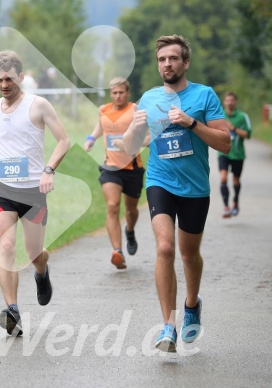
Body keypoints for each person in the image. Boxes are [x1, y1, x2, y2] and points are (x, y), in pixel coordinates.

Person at [123, 35, 231, 353]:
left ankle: (192, 304)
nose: (166, 64)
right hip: (160, 180)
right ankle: (168, 325)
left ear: (185, 63)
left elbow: (225, 143)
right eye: (161, 60)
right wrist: (132, 128)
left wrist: (192, 123)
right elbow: (129, 149)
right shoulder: (149, 98)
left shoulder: (204, 95)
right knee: (165, 248)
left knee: (189, 255)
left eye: (172, 58)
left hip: (195, 188)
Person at [0, 50, 70, 336]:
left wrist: (48, 170)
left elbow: (63, 141)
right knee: (6, 247)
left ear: (21, 77)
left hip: (32, 191)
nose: (4, 84)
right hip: (2, 188)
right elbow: (0, 135)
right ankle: (12, 310)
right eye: (0, 79)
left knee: (33, 253)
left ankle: (42, 270)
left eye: (10, 79)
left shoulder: (38, 105)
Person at [84, 77, 148, 270]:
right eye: (114, 93)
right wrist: (91, 139)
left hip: (132, 168)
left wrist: (131, 144)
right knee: (112, 206)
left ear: (127, 93)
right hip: (110, 167)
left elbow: (147, 135)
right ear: (110, 93)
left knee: (131, 211)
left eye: (121, 92)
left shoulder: (135, 111)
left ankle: (129, 230)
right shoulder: (103, 110)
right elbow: (101, 126)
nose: (118, 96)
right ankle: (117, 252)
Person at [219, 91, 252, 218]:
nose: (229, 103)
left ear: (236, 102)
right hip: (223, 152)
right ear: (224, 102)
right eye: (227, 100)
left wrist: (233, 129)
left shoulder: (242, 116)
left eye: (232, 100)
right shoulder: (219, 115)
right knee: (223, 178)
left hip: (238, 154)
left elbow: (248, 135)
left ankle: (235, 201)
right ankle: (226, 207)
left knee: (236, 180)